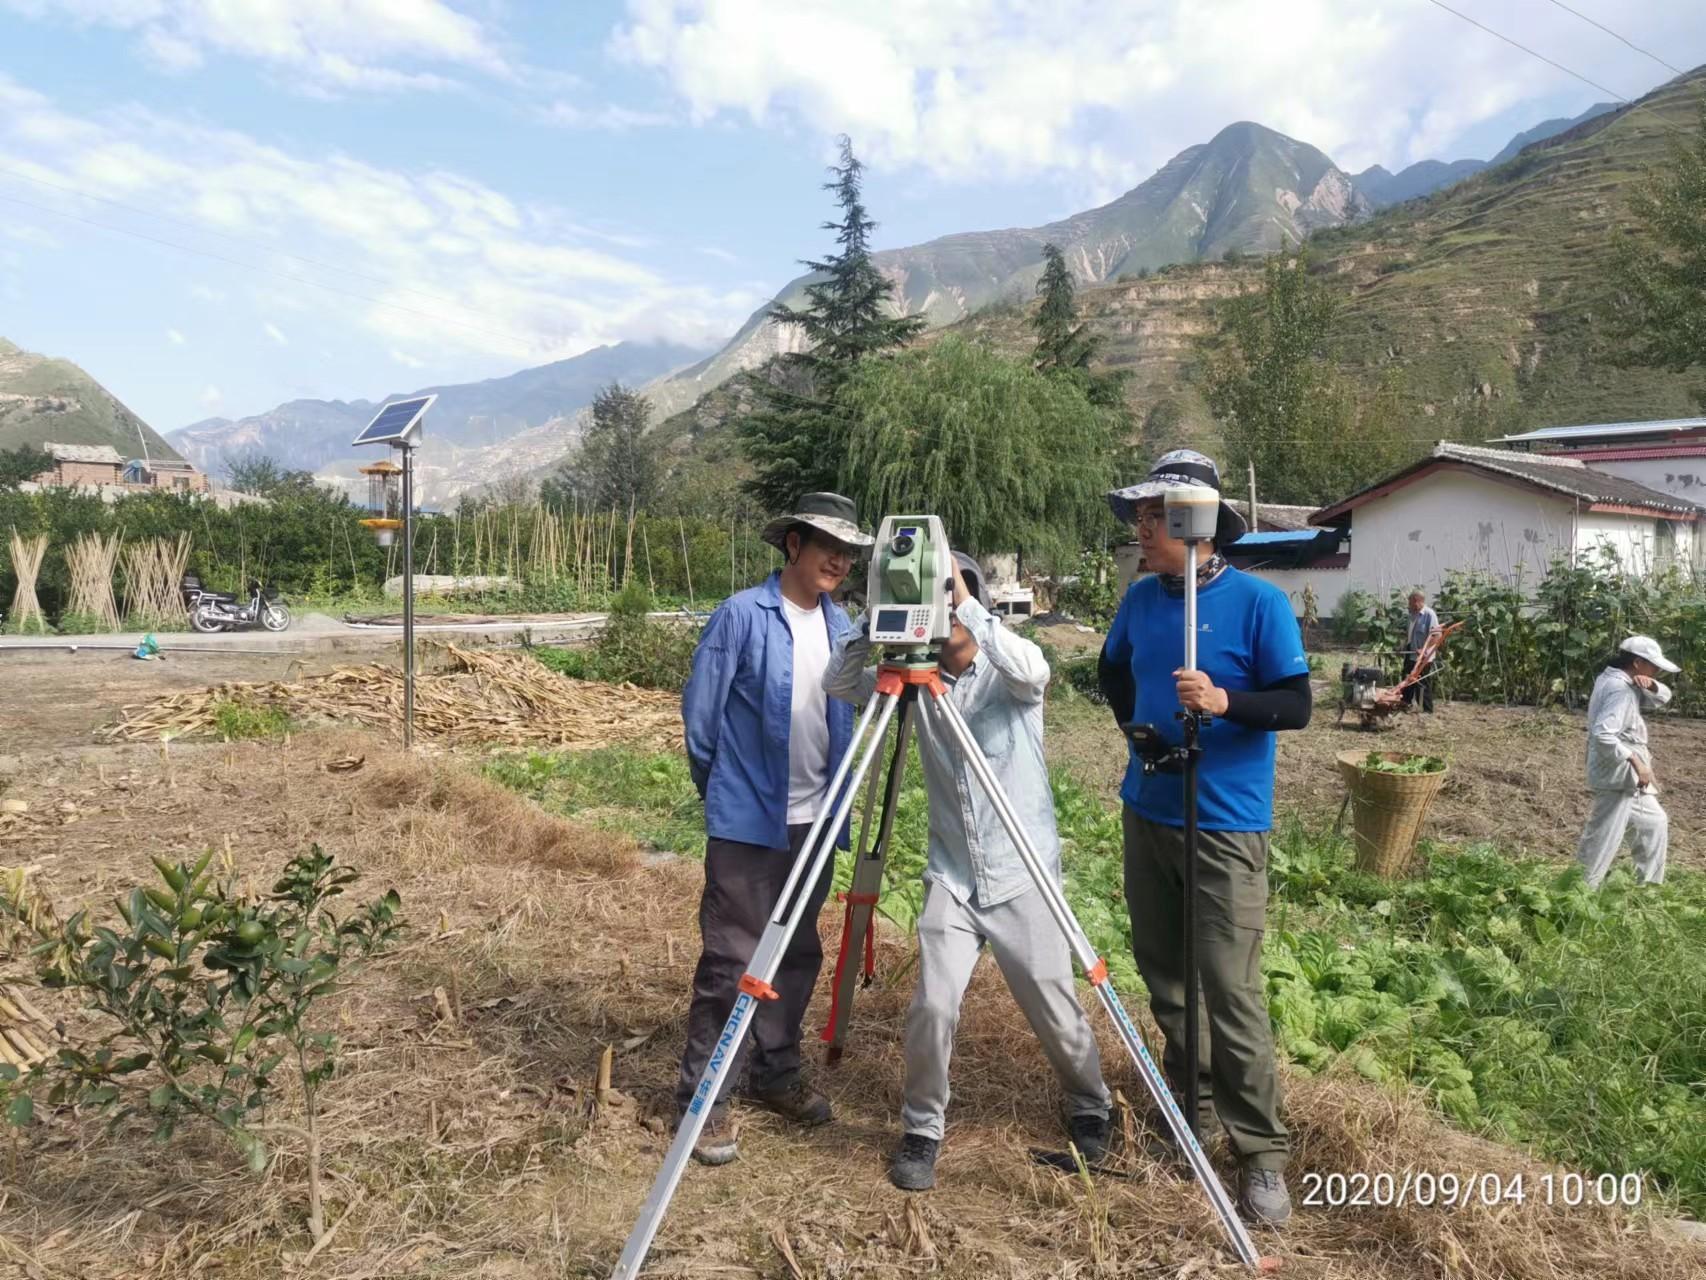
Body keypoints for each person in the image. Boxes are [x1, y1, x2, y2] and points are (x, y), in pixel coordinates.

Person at [823, 551, 1112, 1192]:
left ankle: (1093, 1108)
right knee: (932, 1003)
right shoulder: (916, 683)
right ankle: (922, 1131)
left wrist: (963, 601)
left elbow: (1034, 667)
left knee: (1054, 1008)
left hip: (1021, 872)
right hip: (952, 876)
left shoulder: (1010, 678)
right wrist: (874, 620)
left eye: (942, 596)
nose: (934, 609)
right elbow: (839, 684)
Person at [1098, 449, 1311, 1227]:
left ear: (1198, 524)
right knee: (1170, 981)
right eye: (1141, 518)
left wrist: (1224, 700)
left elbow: (1295, 706)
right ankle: (1194, 1109)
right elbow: (1112, 669)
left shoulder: (1259, 604)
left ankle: (1262, 1155)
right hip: (1148, 808)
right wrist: (1139, 731)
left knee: (1231, 986)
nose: (1143, 531)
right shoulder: (1142, 601)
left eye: (1155, 518)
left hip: (1224, 820)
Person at [675, 492, 875, 1166]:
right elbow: (701, 723)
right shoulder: (741, 616)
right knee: (732, 960)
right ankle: (706, 1097)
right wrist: (730, 796)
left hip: (816, 822)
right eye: (828, 547)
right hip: (749, 820)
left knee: (796, 953)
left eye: (848, 553)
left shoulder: (845, 627)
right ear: (793, 545)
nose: (840, 562)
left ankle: (776, 1070)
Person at [1575, 635, 1677, 889]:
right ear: (1637, 662)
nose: (1656, 671)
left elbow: (1663, 697)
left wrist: (1652, 685)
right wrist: (1637, 762)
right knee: (1603, 836)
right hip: (1617, 771)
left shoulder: (1614, 678)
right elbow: (1603, 733)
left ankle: (1650, 888)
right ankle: (1580, 891)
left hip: (1625, 773)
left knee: (1654, 823)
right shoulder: (1620, 689)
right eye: (1653, 666)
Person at [1401, 590, 1441, 713]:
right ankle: (1405, 705)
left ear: (1417, 601)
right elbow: (1410, 635)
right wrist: (1403, 646)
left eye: (1410, 602)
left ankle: (1427, 710)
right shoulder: (1412, 615)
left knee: (1421, 682)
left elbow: (1436, 636)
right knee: (1407, 680)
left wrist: (1424, 649)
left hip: (1424, 656)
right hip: (1411, 653)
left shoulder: (1429, 615)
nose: (1409, 604)